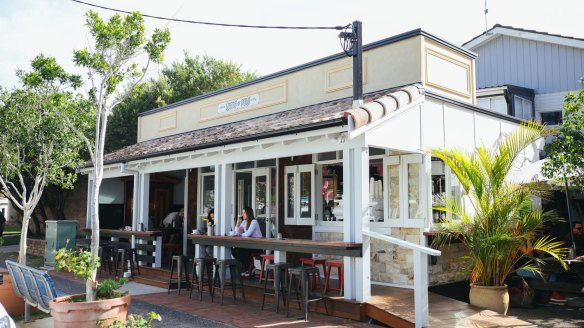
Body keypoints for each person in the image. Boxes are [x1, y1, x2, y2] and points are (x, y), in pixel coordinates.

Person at [231, 206, 262, 276]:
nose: (242, 215)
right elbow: (236, 233)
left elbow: (247, 234)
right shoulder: (244, 222)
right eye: (242, 213)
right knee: (235, 250)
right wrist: (237, 223)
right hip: (249, 245)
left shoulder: (254, 222)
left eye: (244, 213)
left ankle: (249, 267)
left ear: (248, 213)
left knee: (240, 251)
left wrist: (242, 233)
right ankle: (248, 267)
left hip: (258, 246)